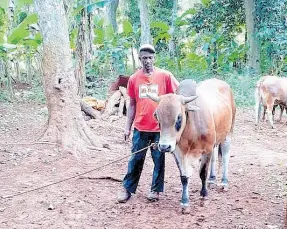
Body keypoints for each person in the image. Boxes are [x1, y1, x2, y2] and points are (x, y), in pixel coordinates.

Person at [117, 44, 179, 203]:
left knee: (159, 160)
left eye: (150, 57)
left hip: (160, 128)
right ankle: (127, 189)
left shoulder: (165, 76)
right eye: (144, 58)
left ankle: (155, 190)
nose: (148, 61)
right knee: (136, 159)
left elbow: (176, 95)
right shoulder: (133, 79)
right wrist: (127, 128)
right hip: (140, 127)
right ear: (140, 59)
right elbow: (131, 104)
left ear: (155, 58)